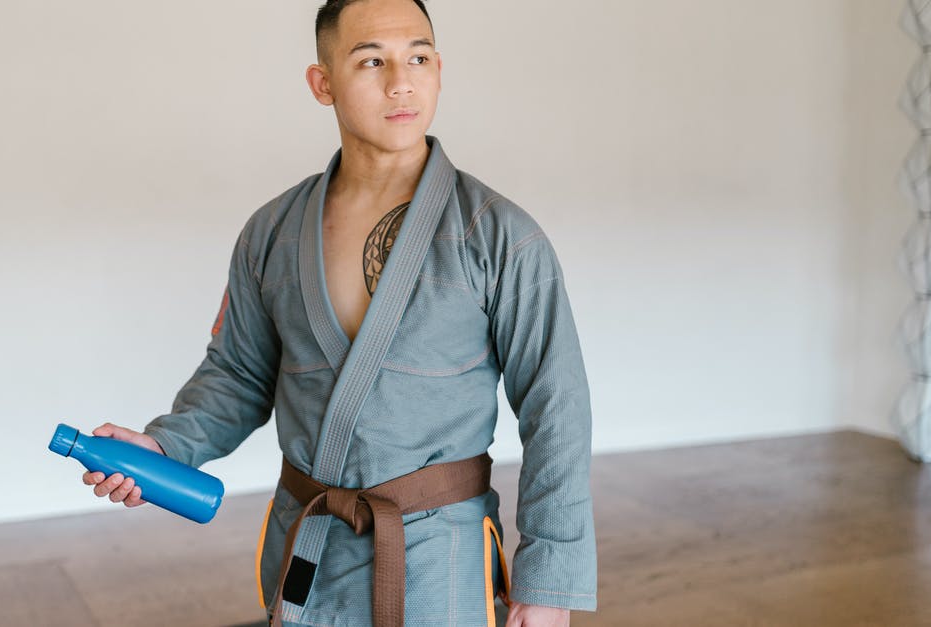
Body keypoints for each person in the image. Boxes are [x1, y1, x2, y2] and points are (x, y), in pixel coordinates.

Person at [79, 1, 596, 625]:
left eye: (419, 57)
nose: (400, 80)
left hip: (438, 559)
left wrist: (549, 584)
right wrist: (165, 445)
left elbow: (556, 408)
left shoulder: (500, 236)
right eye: (371, 59)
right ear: (322, 83)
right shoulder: (272, 232)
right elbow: (239, 375)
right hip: (310, 547)